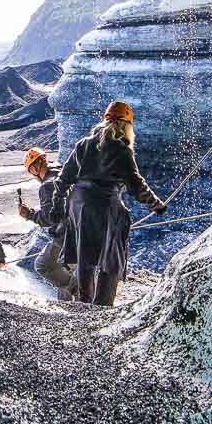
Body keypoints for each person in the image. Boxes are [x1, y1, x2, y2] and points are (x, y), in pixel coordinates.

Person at [55, 101, 164, 307]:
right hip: (106, 205)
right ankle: (103, 305)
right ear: (126, 125)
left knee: (84, 255)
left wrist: (59, 207)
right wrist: (156, 204)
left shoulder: (84, 143)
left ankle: (83, 302)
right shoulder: (122, 149)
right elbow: (135, 183)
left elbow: (63, 179)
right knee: (111, 255)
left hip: (79, 205)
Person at [17, 146, 73, 296]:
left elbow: (49, 218)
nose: (32, 174)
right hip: (80, 226)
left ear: (36, 166)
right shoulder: (62, 172)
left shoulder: (47, 185)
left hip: (67, 234)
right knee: (69, 266)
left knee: (43, 265)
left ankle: (74, 288)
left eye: (30, 170)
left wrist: (29, 214)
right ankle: (72, 292)